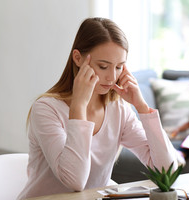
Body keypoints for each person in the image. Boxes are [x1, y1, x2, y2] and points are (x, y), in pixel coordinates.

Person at [17, 17, 178, 199]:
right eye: (103, 66)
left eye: (119, 67)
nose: (111, 77)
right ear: (78, 58)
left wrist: (142, 107)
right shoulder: (46, 109)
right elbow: (75, 181)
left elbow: (166, 172)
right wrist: (79, 106)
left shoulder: (119, 109)